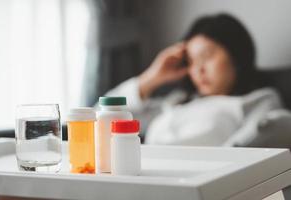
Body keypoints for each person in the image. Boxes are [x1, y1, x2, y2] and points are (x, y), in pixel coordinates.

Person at [105, 13, 283, 146]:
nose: (198, 69)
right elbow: (104, 118)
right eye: (191, 61)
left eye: (206, 56)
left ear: (236, 56)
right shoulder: (175, 102)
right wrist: (152, 77)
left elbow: (261, 141)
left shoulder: (258, 101)